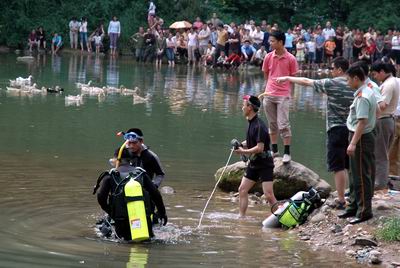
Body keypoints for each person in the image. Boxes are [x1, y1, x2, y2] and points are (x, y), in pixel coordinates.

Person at [277, 57, 354, 209]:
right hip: (353, 129)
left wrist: (288, 78)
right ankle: (351, 193)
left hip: (336, 128)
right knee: (349, 165)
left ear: (339, 70)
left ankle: (340, 199)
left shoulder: (332, 83)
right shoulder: (356, 84)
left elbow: (306, 82)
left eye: (333, 68)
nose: (331, 71)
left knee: (338, 165)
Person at [338, 64, 377, 224]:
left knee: (361, 176)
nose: (347, 82)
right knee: (354, 174)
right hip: (361, 135)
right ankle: (353, 206)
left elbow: (362, 122)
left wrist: (353, 143)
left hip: (360, 137)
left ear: (356, 78)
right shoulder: (369, 89)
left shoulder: (363, 96)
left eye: (348, 79)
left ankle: (364, 212)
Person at [235, 95, 277, 217]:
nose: (242, 107)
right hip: (254, 163)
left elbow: (260, 148)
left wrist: (243, 152)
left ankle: (282, 216)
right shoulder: (251, 123)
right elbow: (252, 141)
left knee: (268, 195)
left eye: (244, 105)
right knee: (242, 190)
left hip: (265, 164)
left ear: (250, 108)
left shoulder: (259, 126)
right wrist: (241, 145)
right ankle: (241, 218)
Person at [261, 30, 298, 163]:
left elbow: (293, 79)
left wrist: (290, 95)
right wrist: (268, 88)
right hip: (269, 94)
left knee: (283, 124)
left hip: (283, 95)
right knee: (272, 124)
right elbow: (266, 73)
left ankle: (287, 152)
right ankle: (274, 150)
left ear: (281, 42)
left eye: (272, 41)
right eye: (270, 41)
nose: (269, 43)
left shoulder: (291, 59)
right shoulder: (268, 57)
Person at [370, 61, 399, 192]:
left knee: (380, 154)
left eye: (375, 74)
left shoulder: (388, 84)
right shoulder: (395, 81)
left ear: (382, 72)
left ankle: (379, 184)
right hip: (390, 119)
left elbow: (382, 106)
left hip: (384, 120)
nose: (375, 77)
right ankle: (383, 181)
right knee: (385, 153)